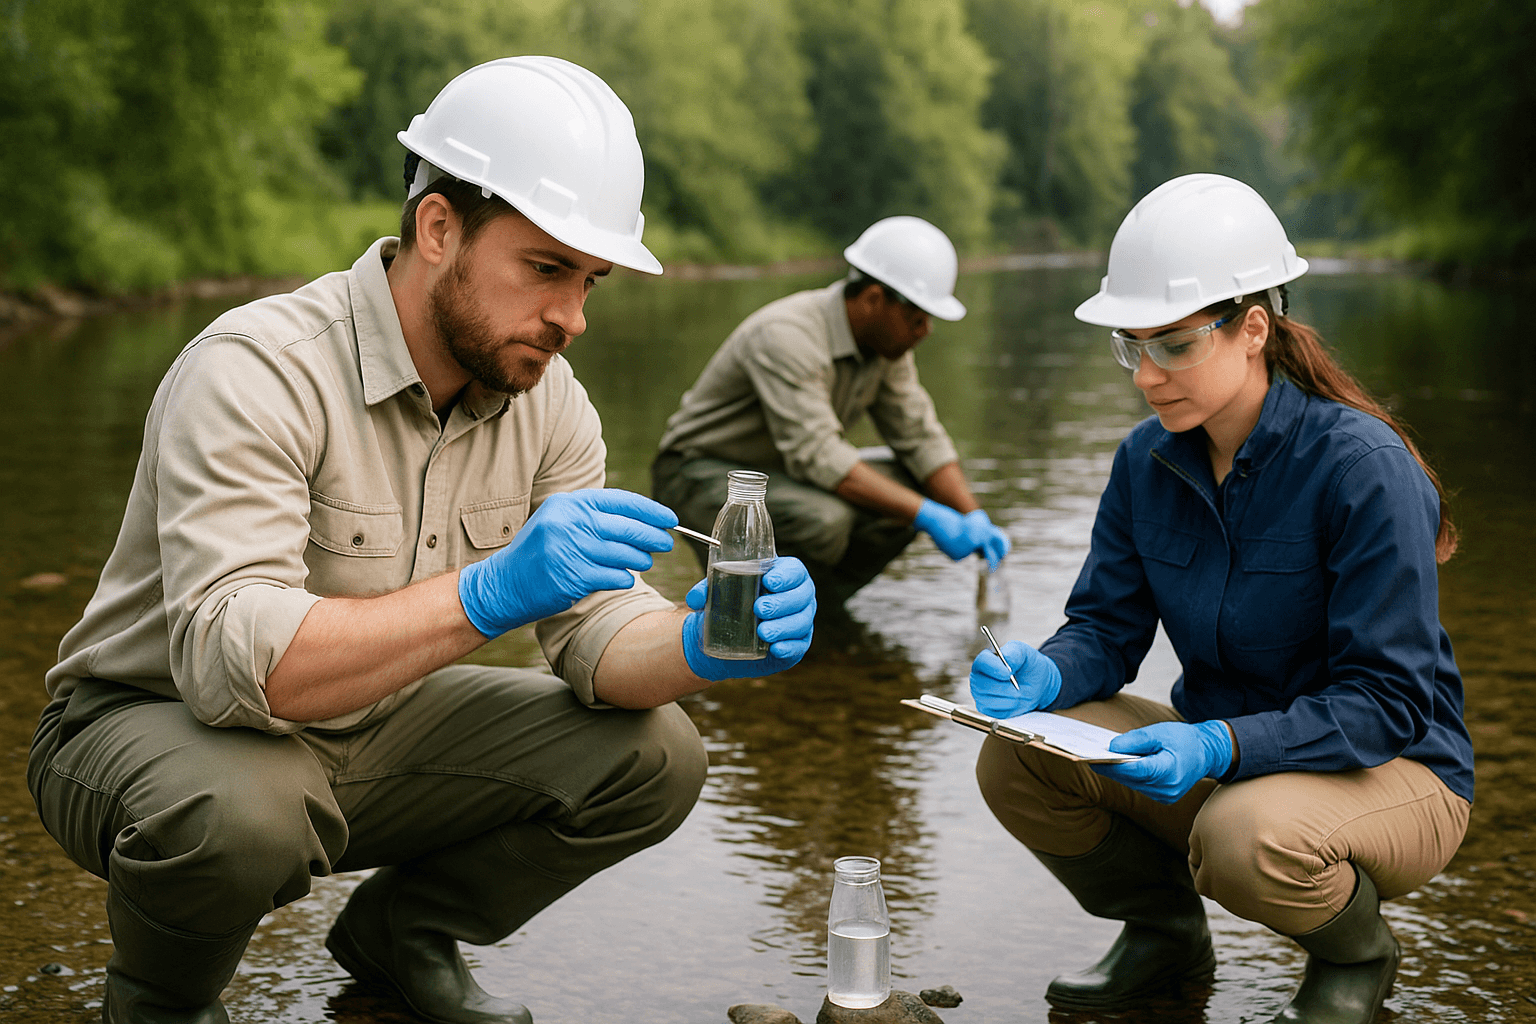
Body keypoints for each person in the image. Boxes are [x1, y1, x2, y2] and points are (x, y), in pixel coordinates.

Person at [26, 57, 816, 1024]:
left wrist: (699, 646)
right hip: (147, 729)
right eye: (546, 269)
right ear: (439, 227)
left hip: (368, 728)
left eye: (591, 280)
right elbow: (238, 665)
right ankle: (160, 998)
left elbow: (598, 636)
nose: (572, 317)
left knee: (659, 756)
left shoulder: (548, 399)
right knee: (246, 811)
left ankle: (401, 936)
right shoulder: (256, 369)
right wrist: (488, 594)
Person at [968, 174, 1473, 1024]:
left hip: (1394, 772)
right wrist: (1046, 678)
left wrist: (1216, 744)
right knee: (1016, 754)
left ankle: (1356, 957)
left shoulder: (1362, 470)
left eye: (1171, 345)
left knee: (1243, 835)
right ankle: (1165, 936)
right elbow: (1106, 626)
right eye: (1132, 347)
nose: (1146, 376)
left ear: (1252, 330)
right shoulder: (1146, 462)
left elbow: (1385, 703)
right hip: (1232, 760)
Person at [651, 216, 1009, 610]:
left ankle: (823, 613)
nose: (925, 331)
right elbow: (818, 455)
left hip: (780, 471)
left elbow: (920, 437)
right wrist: (928, 516)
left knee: (915, 484)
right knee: (825, 520)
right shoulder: (788, 336)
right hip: (697, 471)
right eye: (916, 318)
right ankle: (749, 609)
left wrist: (972, 516)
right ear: (874, 299)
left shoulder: (887, 348)